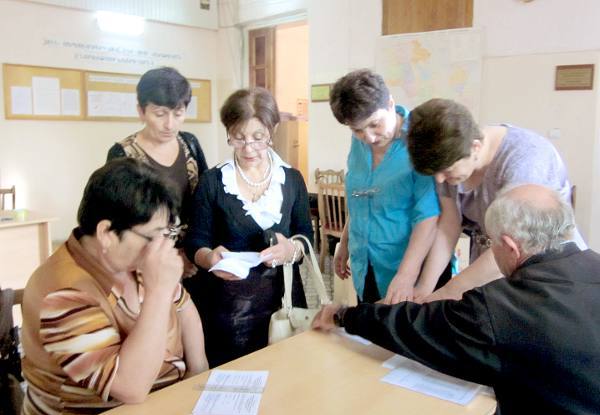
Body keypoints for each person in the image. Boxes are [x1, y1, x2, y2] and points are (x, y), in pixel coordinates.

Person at [313, 184, 600, 415]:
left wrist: (344, 315)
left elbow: (416, 327)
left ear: (511, 247)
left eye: (489, 242)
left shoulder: (507, 307)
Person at [18, 159, 208, 415]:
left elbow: (183, 305)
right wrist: (158, 292)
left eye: (167, 234)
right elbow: (130, 387)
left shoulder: (130, 259)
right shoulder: (63, 294)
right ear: (106, 233)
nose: (163, 246)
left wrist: (198, 373)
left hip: (160, 412)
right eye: (154, 236)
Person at [406, 98, 583, 301]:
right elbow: (449, 226)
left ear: (475, 146)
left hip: (547, 277)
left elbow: (514, 246)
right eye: (434, 173)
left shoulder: (525, 161)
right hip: (493, 268)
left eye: (446, 171)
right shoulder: (450, 160)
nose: (439, 179)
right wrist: (425, 290)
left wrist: (446, 293)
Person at [184, 87, 312, 367]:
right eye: (239, 138)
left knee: (285, 372)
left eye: (258, 137)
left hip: (283, 303)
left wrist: (291, 250)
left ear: (272, 131)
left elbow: (305, 236)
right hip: (228, 309)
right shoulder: (213, 181)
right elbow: (195, 241)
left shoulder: (291, 179)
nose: (249, 148)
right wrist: (209, 258)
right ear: (228, 133)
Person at [328, 69, 441, 304]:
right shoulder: (359, 143)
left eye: (375, 124)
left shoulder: (419, 139)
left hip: (408, 270)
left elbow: (428, 216)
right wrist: (345, 243)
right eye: (357, 130)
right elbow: (360, 198)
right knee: (369, 326)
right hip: (366, 264)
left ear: (390, 104)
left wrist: (406, 275)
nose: (368, 137)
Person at [106, 66, 208, 279]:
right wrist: (172, 258)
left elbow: (204, 203)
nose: (169, 124)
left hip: (195, 259)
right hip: (147, 265)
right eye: (160, 114)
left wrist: (194, 252)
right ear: (141, 111)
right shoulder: (123, 154)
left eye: (178, 113)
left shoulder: (190, 144)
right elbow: (121, 223)